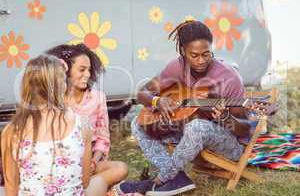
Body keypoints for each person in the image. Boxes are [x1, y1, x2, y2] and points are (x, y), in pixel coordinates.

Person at [117, 20, 252, 196]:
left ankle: (159, 180)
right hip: (188, 134)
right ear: (182, 51)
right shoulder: (177, 66)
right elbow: (142, 93)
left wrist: (225, 118)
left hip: (230, 146)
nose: (201, 61)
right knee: (137, 123)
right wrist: (158, 101)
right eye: (194, 55)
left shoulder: (229, 77)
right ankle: (177, 177)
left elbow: (244, 130)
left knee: (196, 126)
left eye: (206, 54)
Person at [1, 54, 92, 195]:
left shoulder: (11, 131)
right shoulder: (82, 125)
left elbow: (11, 185)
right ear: (60, 86)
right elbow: (85, 181)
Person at [46, 44, 128, 194]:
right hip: (59, 162)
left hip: (89, 162)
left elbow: (103, 138)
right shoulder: (53, 100)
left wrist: (94, 162)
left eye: (89, 70)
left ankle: (83, 187)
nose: (88, 74)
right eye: (82, 69)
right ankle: (89, 188)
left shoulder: (97, 98)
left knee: (120, 168)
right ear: (64, 70)